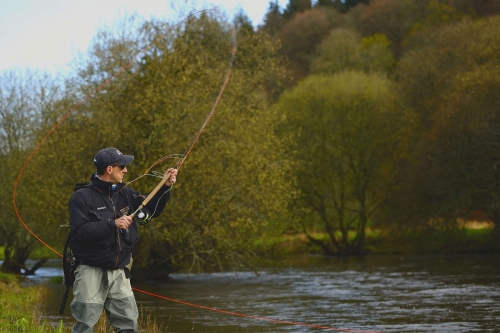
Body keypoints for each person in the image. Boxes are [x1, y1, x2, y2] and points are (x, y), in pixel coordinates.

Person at [68, 147, 177, 333]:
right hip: (90, 271)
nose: (126, 170)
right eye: (122, 166)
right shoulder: (81, 197)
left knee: (128, 327)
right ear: (109, 169)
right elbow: (79, 233)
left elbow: (151, 210)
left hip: (119, 272)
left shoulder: (125, 192)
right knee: (84, 327)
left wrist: (164, 187)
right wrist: (112, 223)